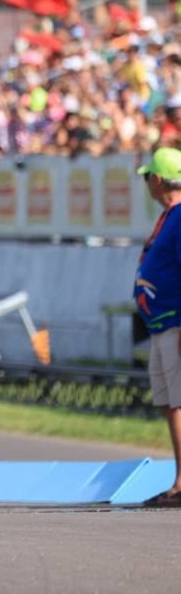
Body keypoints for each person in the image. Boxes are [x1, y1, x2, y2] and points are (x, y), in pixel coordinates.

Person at [134, 147, 181, 506]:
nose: (146, 182)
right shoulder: (169, 217)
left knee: (179, 402)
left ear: (160, 180)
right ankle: (179, 480)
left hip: (176, 323)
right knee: (169, 403)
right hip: (161, 324)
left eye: (148, 176)